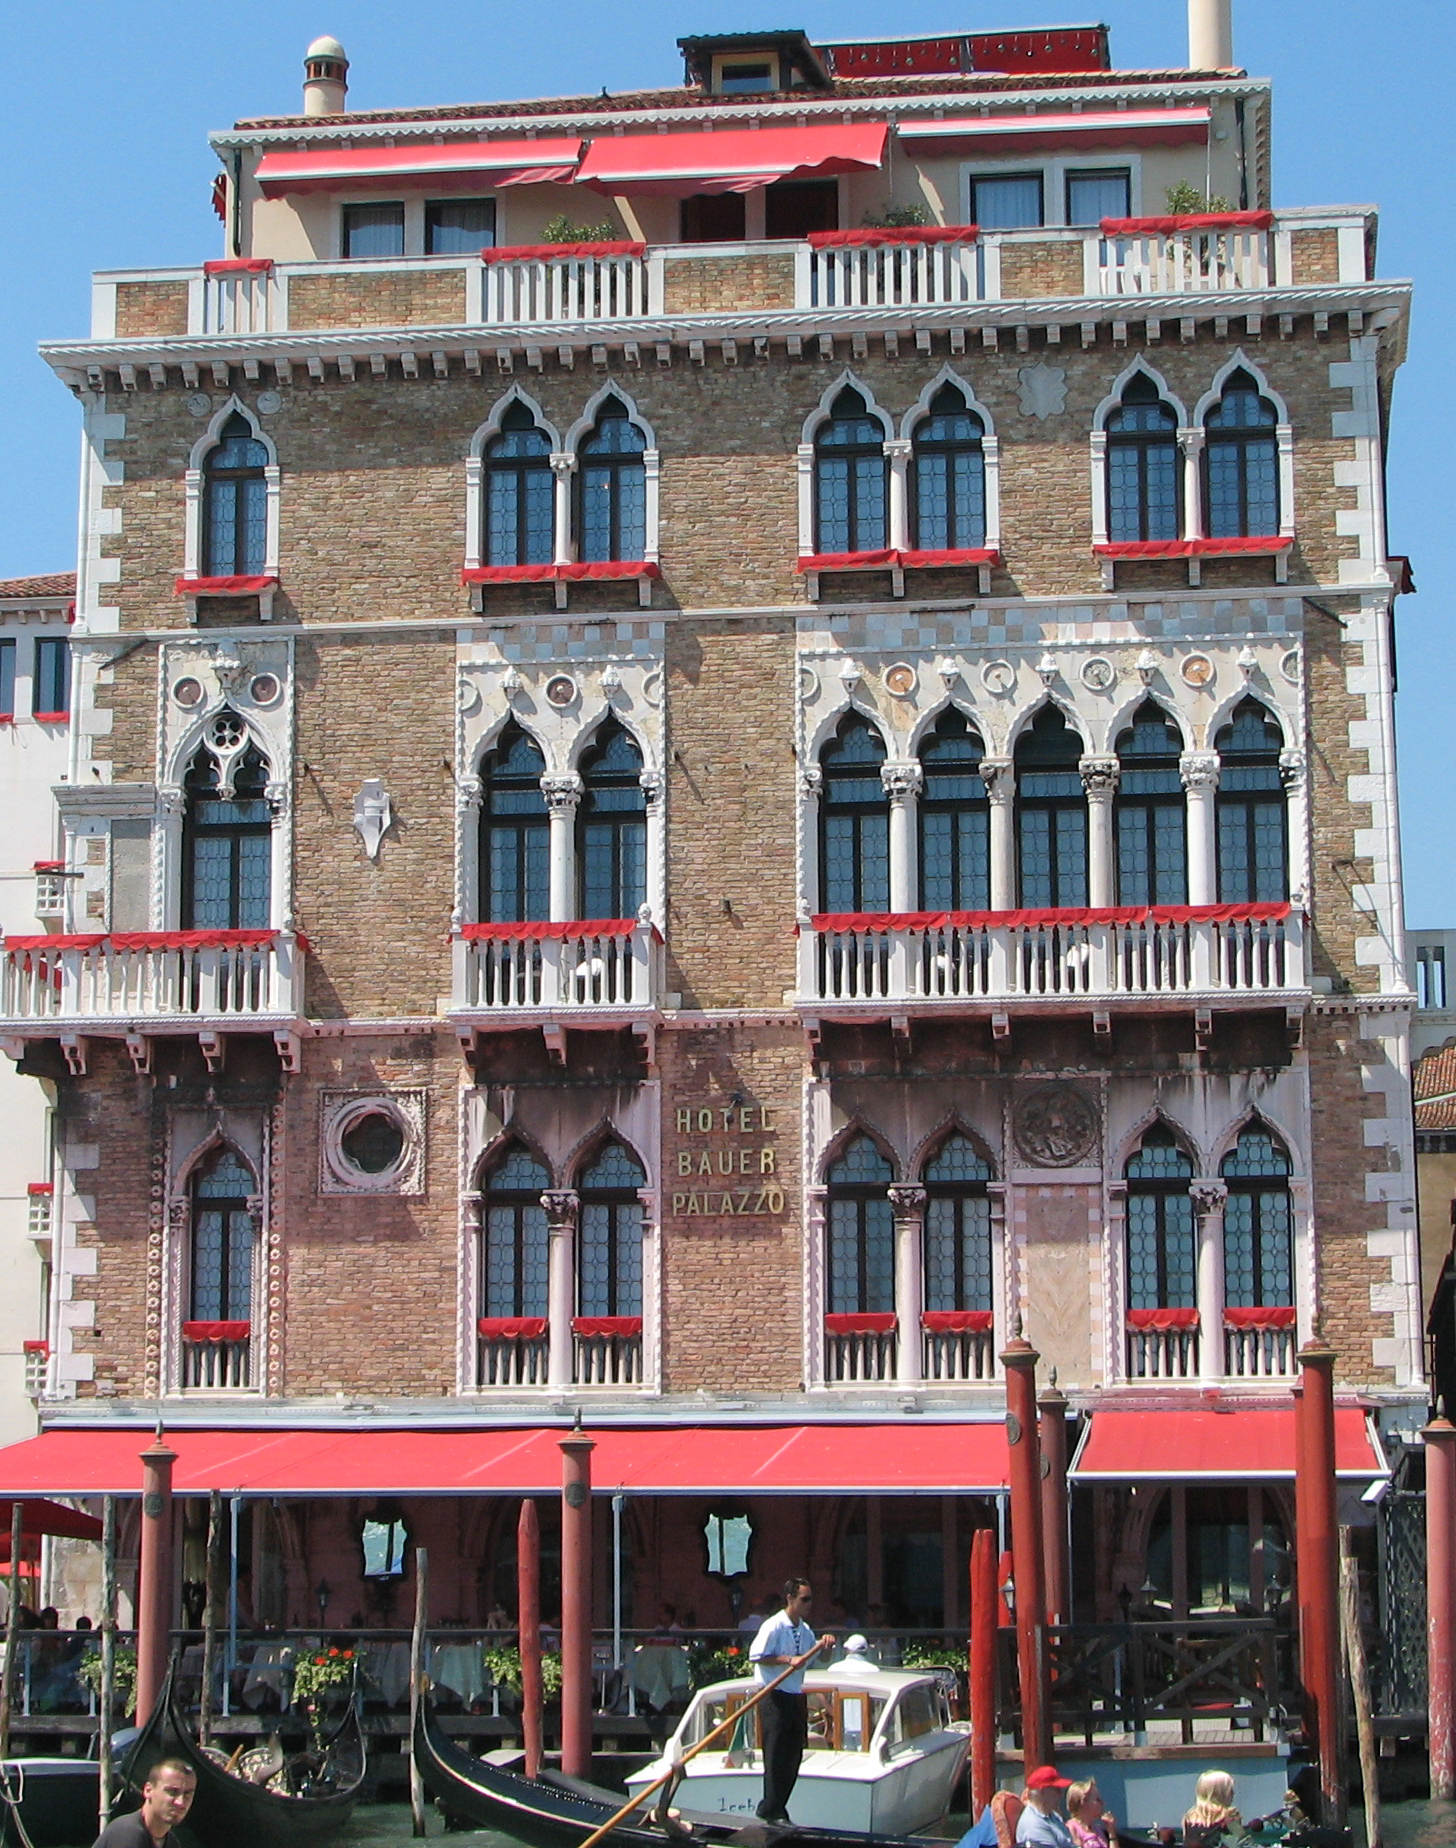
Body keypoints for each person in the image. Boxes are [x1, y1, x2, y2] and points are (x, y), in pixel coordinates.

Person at [749, 1576, 830, 1823]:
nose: (809, 1604)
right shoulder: (773, 1626)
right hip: (773, 1695)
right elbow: (756, 1655)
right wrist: (787, 1660)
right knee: (775, 1755)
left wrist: (824, 1648)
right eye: (805, 1599)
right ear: (790, 1599)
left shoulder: (804, 1630)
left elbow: (818, 1661)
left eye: (811, 1599)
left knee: (794, 1754)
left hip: (795, 1695)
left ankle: (778, 1807)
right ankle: (771, 1808)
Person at [93, 1759, 197, 1848]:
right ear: (148, 1790)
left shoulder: (171, 1842)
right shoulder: (128, 1834)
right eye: (172, 1792)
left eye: (188, 1795)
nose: (180, 1802)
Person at [1016, 1766, 1075, 1848]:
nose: (1060, 1794)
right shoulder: (1034, 1826)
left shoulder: (1053, 1815)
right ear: (1042, 1792)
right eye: (1056, 1789)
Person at [1182, 1771, 1241, 1847]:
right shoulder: (1230, 1816)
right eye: (1230, 1790)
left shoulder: (1189, 1818)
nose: (1233, 1793)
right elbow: (1240, 1842)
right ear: (1219, 1793)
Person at [1066, 1779, 1119, 1848]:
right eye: (1097, 1800)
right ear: (1084, 1803)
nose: (1102, 1803)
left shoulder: (1097, 1830)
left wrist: (1111, 1832)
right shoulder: (1072, 1828)